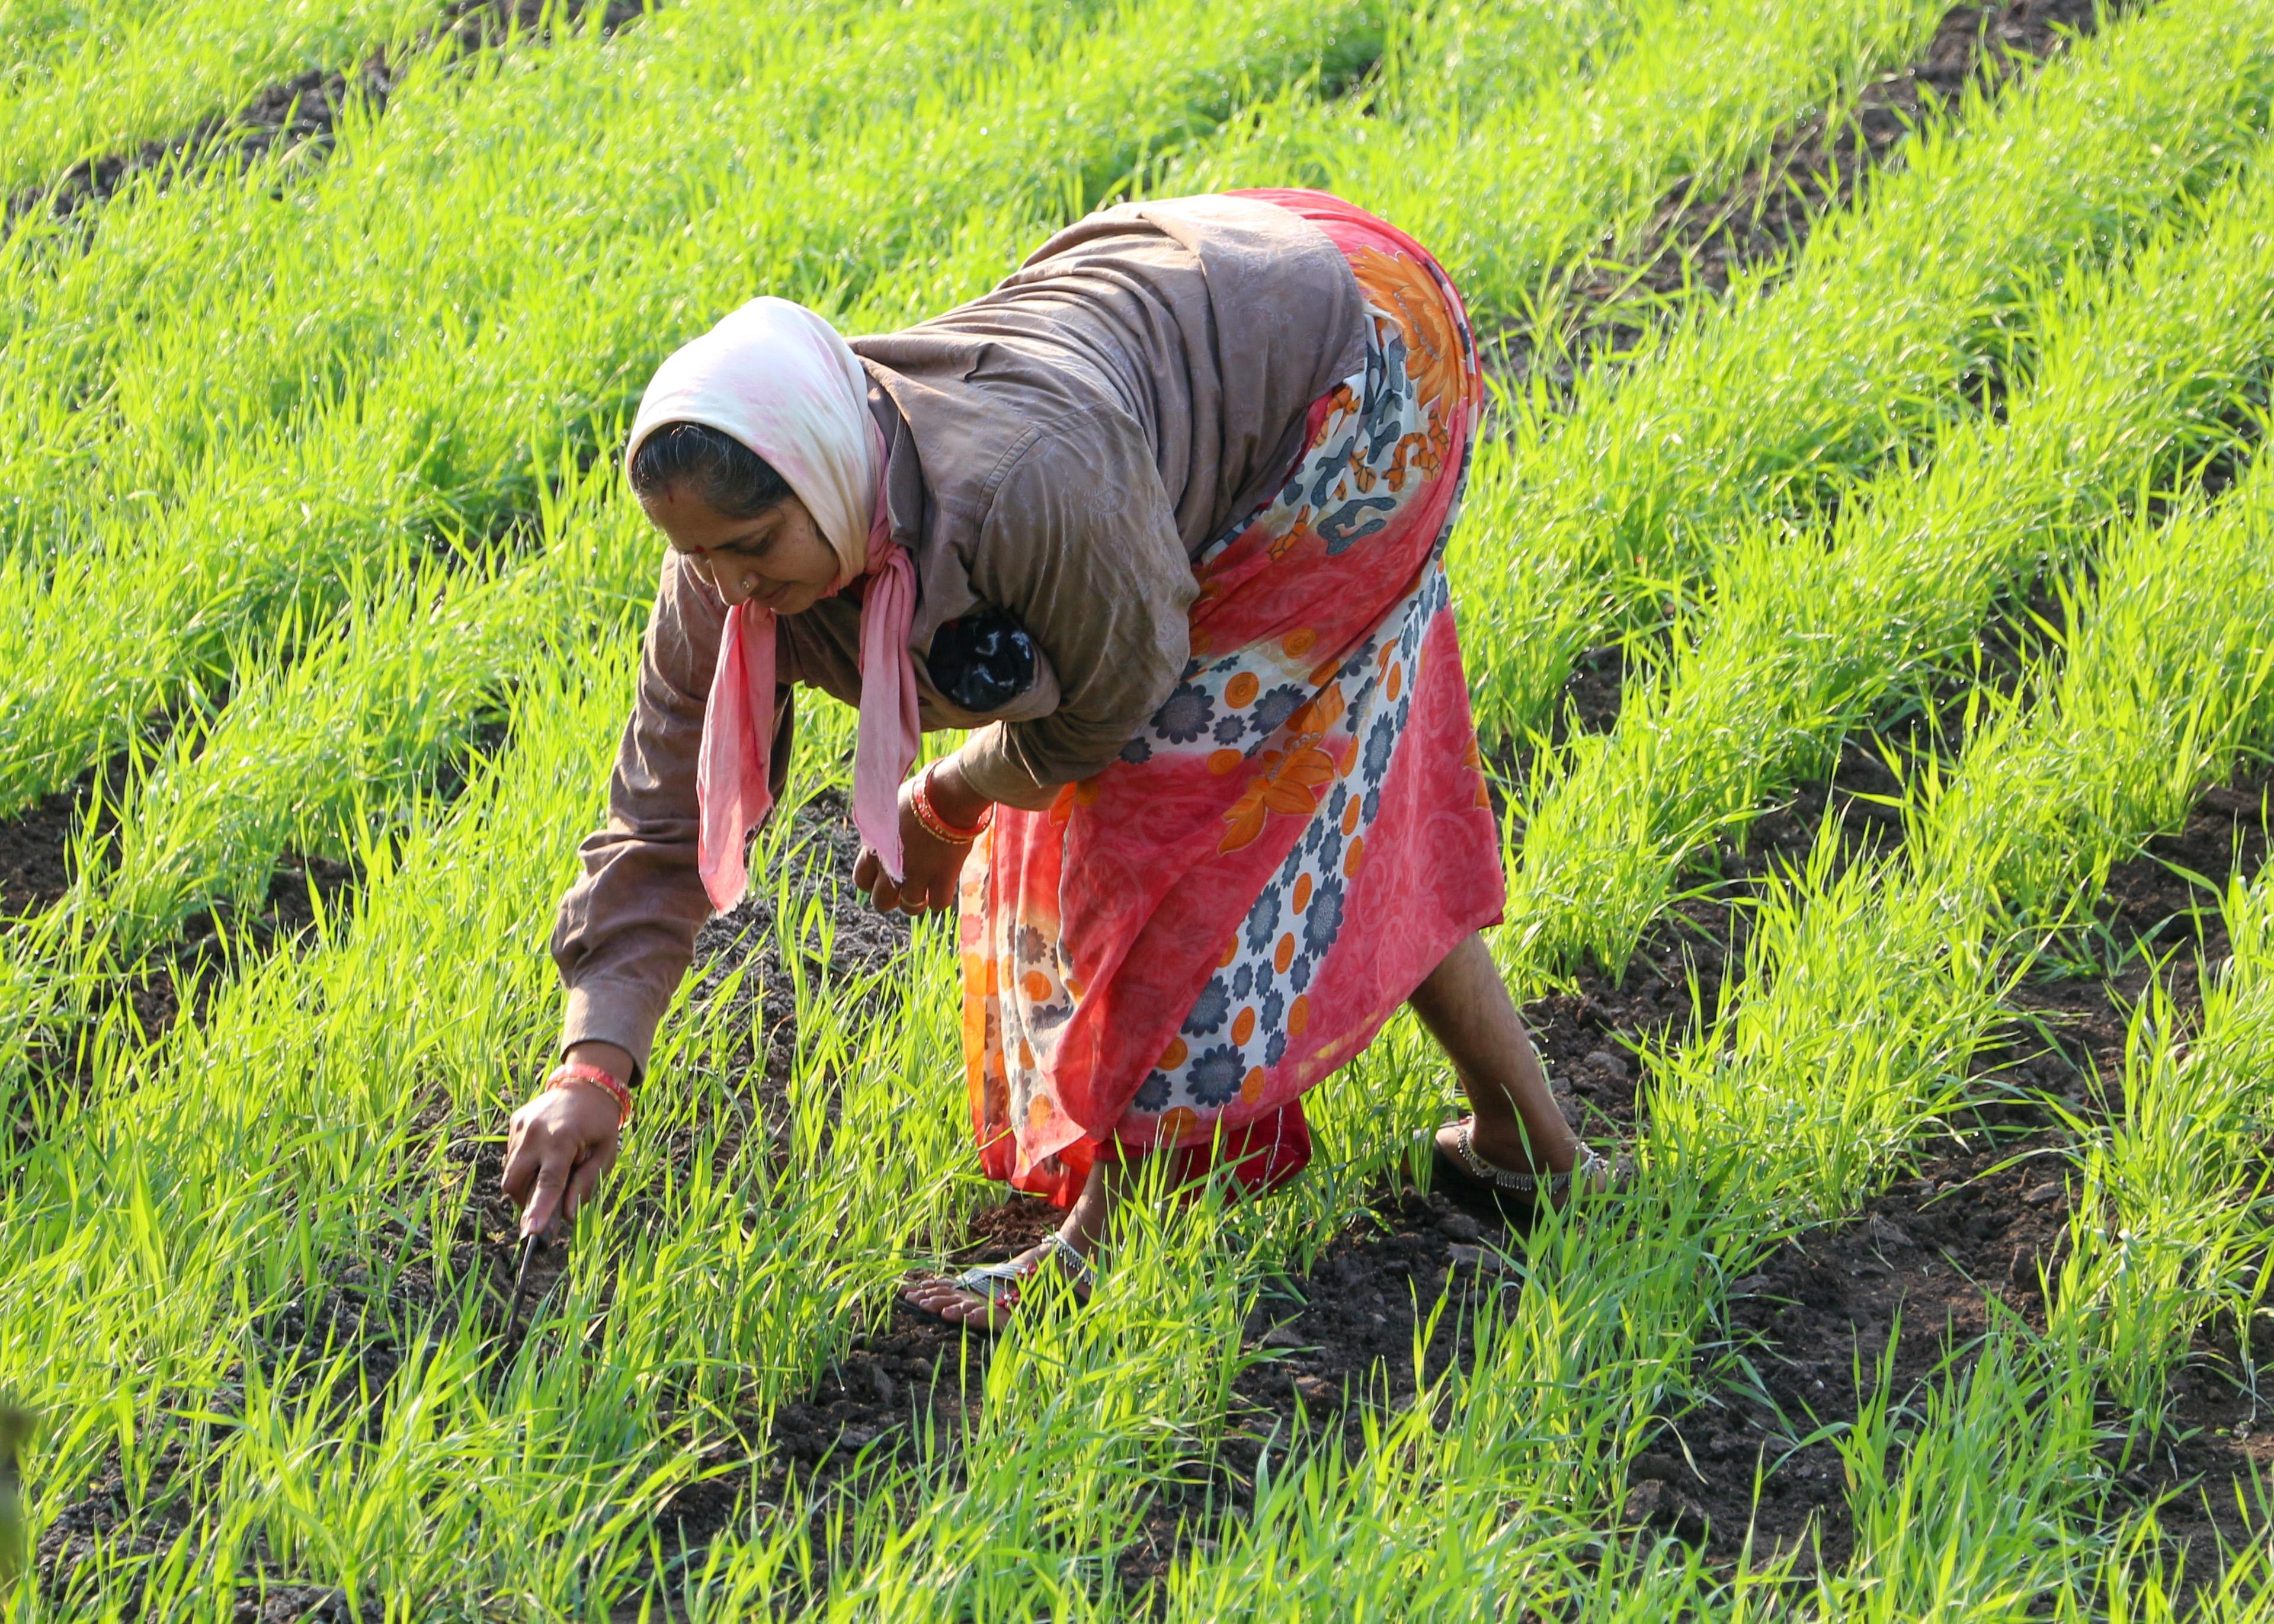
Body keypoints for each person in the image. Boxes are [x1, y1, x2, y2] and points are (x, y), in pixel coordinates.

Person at [502, 188, 1611, 1330]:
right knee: (1323, 792)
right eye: (696, 556)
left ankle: (1103, 1239)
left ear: (830, 461)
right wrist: (593, 1065)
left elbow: (1118, 696)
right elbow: (661, 815)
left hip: (1354, 379)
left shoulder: (1022, 486)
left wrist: (953, 791)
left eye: (751, 548)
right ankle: (1526, 1146)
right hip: (1205, 325)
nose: (730, 587)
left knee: (1167, 825)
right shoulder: (727, 582)